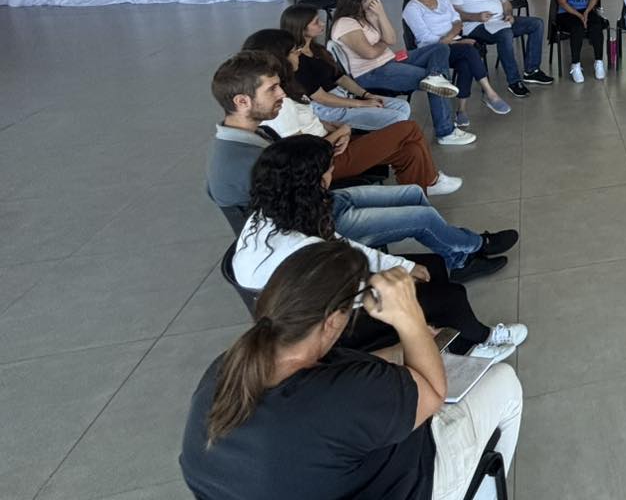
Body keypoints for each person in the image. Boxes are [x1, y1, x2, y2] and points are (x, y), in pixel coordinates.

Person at [179, 240, 523, 500]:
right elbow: (433, 393)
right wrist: (410, 319)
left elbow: (339, 375)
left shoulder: (226, 368)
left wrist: (399, 350)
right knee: (504, 382)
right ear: (333, 320)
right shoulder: (342, 399)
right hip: (410, 480)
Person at [232, 137, 526, 360]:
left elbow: (344, 247)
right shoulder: (301, 246)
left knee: (433, 265)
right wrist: (399, 292)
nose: (332, 176)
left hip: (323, 294)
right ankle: (478, 342)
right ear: (314, 181)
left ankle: (450, 339)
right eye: (329, 170)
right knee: (451, 296)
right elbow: (349, 291)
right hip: (330, 324)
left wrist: (406, 267)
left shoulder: (274, 212)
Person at [208, 54, 522, 258]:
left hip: (321, 202)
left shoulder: (255, 134)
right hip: (319, 225)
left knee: (413, 193)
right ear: (242, 101)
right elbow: (299, 218)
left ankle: (455, 254)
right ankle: (473, 246)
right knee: (423, 216)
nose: (281, 94)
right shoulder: (241, 161)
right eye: (272, 89)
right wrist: (327, 160)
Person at [241, 30, 461, 196]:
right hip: (325, 162)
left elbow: (310, 120)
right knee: (408, 129)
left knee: (409, 151)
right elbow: (303, 155)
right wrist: (342, 131)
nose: (299, 54)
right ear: (279, 58)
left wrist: (336, 128)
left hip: (330, 143)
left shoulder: (289, 88)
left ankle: (416, 196)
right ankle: (430, 181)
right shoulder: (280, 103)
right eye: (294, 52)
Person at [331, 0, 473, 146]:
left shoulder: (365, 16)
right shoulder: (345, 23)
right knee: (435, 84)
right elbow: (370, 53)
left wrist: (380, 15)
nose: (377, 1)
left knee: (440, 48)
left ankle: (436, 76)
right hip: (372, 72)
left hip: (390, 60)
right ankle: (446, 132)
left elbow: (391, 38)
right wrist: (384, 42)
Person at [281, 4, 414, 133]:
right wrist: (362, 104)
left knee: (402, 106)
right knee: (397, 118)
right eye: (316, 22)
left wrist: (366, 95)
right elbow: (321, 98)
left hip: (343, 96)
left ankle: (384, 133)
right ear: (302, 28)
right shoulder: (297, 61)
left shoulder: (318, 50)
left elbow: (340, 77)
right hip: (328, 109)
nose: (322, 23)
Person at [402, 0, 511, 121]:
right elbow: (426, 38)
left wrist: (454, 38)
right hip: (432, 51)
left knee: (466, 61)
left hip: (454, 44)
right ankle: (489, 93)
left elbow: (457, 21)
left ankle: (462, 110)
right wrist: (456, 41)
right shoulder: (411, 9)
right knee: (468, 50)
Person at [446, 0, 553, 98]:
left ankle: (532, 71)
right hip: (475, 26)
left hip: (500, 21)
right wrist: (476, 16)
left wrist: (509, 14)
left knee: (537, 24)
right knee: (505, 34)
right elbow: (454, 13)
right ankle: (514, 81)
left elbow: (505, 2)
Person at [554, 0, 607, 83]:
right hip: (567, 12)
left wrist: (587, 12)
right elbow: (562, 2)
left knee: (596, 25)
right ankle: (575, 65)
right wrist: (579, 15)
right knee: (577, 27)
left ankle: (599, 62)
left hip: (586, 9)